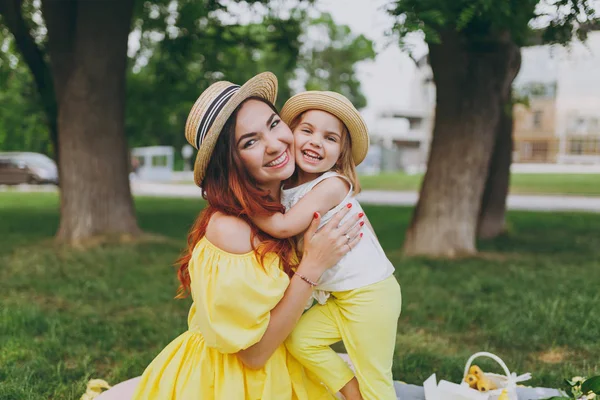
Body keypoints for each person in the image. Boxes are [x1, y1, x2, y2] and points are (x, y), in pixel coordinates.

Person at [130, 73, 364, 400]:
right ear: (231, 162)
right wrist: (313, 264)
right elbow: (253, 356)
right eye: (249, 142)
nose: (274, 144)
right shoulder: (229, 229)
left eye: (273, 124)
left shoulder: (289, 206)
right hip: (231, 381)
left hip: (287, 362)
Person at [249, 91, 402, 400]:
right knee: (301, 341)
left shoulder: (331, 184)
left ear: (340, 155)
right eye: (307, 130)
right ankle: (352, 393)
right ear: (290, 134)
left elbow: (283, 227)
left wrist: (245, 205)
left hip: (370, 296)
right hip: (343, 297)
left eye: (330, 138)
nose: (317, 141)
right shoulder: (291, 187)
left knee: (377, 380)